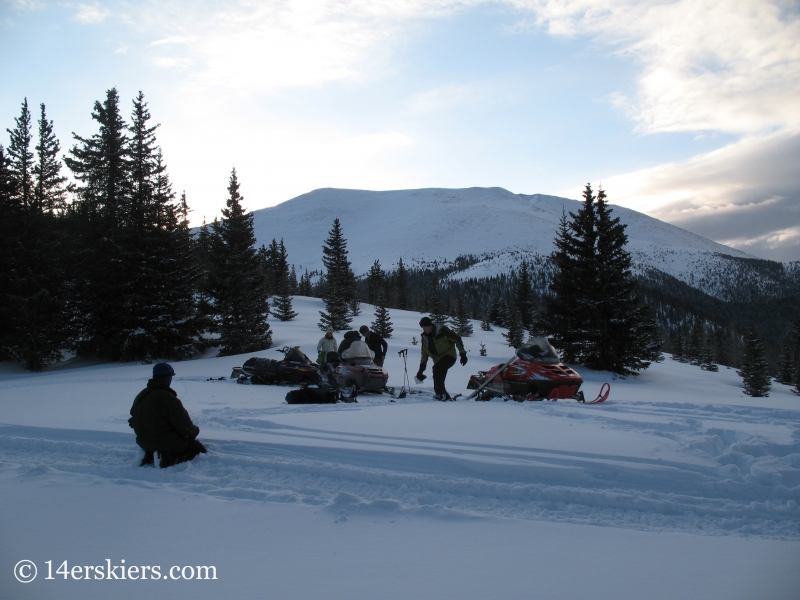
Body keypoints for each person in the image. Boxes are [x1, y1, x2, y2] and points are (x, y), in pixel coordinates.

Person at [128, 363, 207, 469]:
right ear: (168, 378)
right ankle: (167, 458)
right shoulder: (167, 398)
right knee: (197, 448)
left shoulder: (141, 395)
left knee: (159, 440)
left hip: (143, 442)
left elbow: (132, 420)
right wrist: (194, 431)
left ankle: (150, 454)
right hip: (165, 443)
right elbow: (184, 425)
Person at [416, 317, 468, 401]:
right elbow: (424, 354)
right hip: (438, 360)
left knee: (437, 369)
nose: (424, 329)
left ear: (430, 325)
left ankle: (441, 394)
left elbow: (457, 339)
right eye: (423, 327)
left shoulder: (443, 331)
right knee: (438, 375)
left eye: (426, 327)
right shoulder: (424, 338)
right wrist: (421, 370)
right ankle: (444, 396)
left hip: (449, 355)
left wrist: (462, 354)